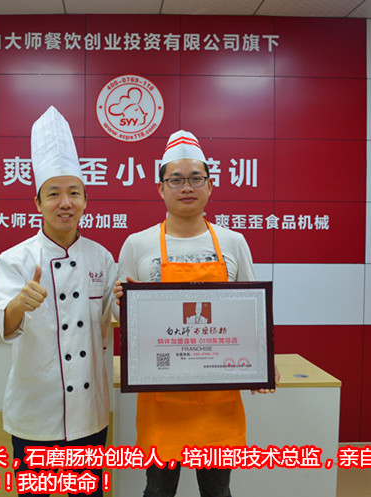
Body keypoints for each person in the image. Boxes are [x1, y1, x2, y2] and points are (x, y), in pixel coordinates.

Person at [114, 130, 279, 497]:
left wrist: (263, 361)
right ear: (160, 188)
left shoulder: (233, 241)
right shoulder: (138, 244)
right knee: (158, 490)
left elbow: (253, 310)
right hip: (161, 392)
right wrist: (122, 302)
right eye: (176, 179)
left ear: (210, 185)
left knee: (217, 491)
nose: (186, 187)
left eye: (195, 178)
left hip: (218, 394)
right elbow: (117, 313)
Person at [0, 106, 117, 497]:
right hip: (35, 411)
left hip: (89, 412)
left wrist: (133, 299)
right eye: (54, 194)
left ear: (86, 200)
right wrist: (19, 304)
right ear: (37, 202)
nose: (65, 202)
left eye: (73, 193)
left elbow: (117, 316)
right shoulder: (16, 259)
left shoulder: (101, 258)